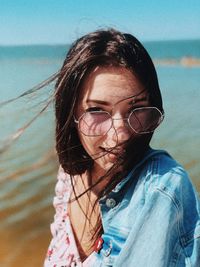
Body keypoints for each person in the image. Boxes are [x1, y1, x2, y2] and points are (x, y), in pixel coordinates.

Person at [44, 28, 200, 267]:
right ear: (70, 112)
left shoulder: (162, 190)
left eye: (136, 107)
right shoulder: (70, 174)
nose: (121, 135)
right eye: (97, 110)